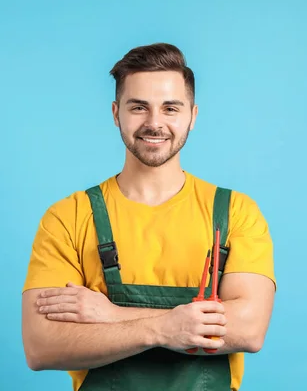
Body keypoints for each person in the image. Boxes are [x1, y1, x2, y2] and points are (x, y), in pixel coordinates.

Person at [21, 42, 276, 391]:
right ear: (116, 113)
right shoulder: (69, 217)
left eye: (170, 108)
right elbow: (41, 347)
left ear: (193, 115)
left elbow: (248, 330)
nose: (155, 123)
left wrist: (111, 316)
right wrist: (161, 328)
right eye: (138, 107)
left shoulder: (235, 213)